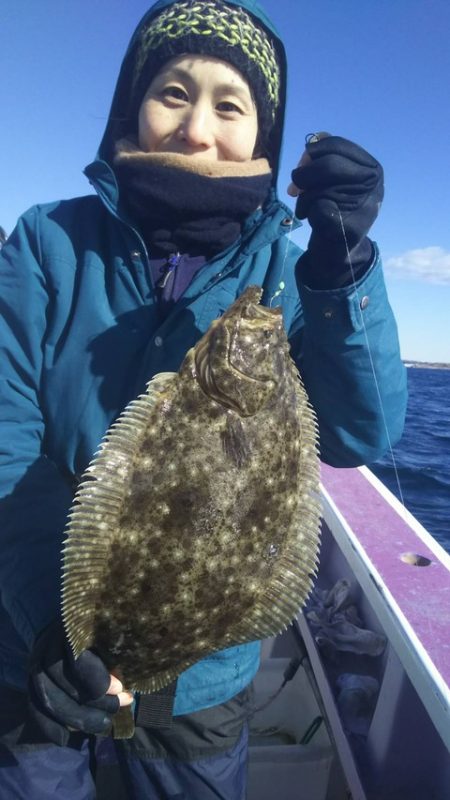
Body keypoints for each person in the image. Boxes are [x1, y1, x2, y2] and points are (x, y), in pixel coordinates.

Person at [0, 1, 407, 798]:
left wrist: (345, 266)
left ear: (266, 136)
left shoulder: (295, 275)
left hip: (204, 682)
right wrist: (49, 616)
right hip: (31, 646)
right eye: (173, 92)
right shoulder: (50, 241)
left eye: (230, 104)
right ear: (131, 107)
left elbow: (360, 432)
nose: (196, 129)